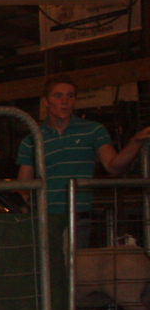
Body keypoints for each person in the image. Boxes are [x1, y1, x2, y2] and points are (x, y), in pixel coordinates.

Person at [15, 75, 150, 246]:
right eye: (58, 96)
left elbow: (113, 166)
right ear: (46, 102)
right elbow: (23, 185)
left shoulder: (93, 131)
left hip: (78, 217)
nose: (65, 101)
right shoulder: (32, 139)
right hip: (44, 218)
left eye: (70, 96)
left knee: (74, 260)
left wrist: (135, 142)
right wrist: (25, 212)